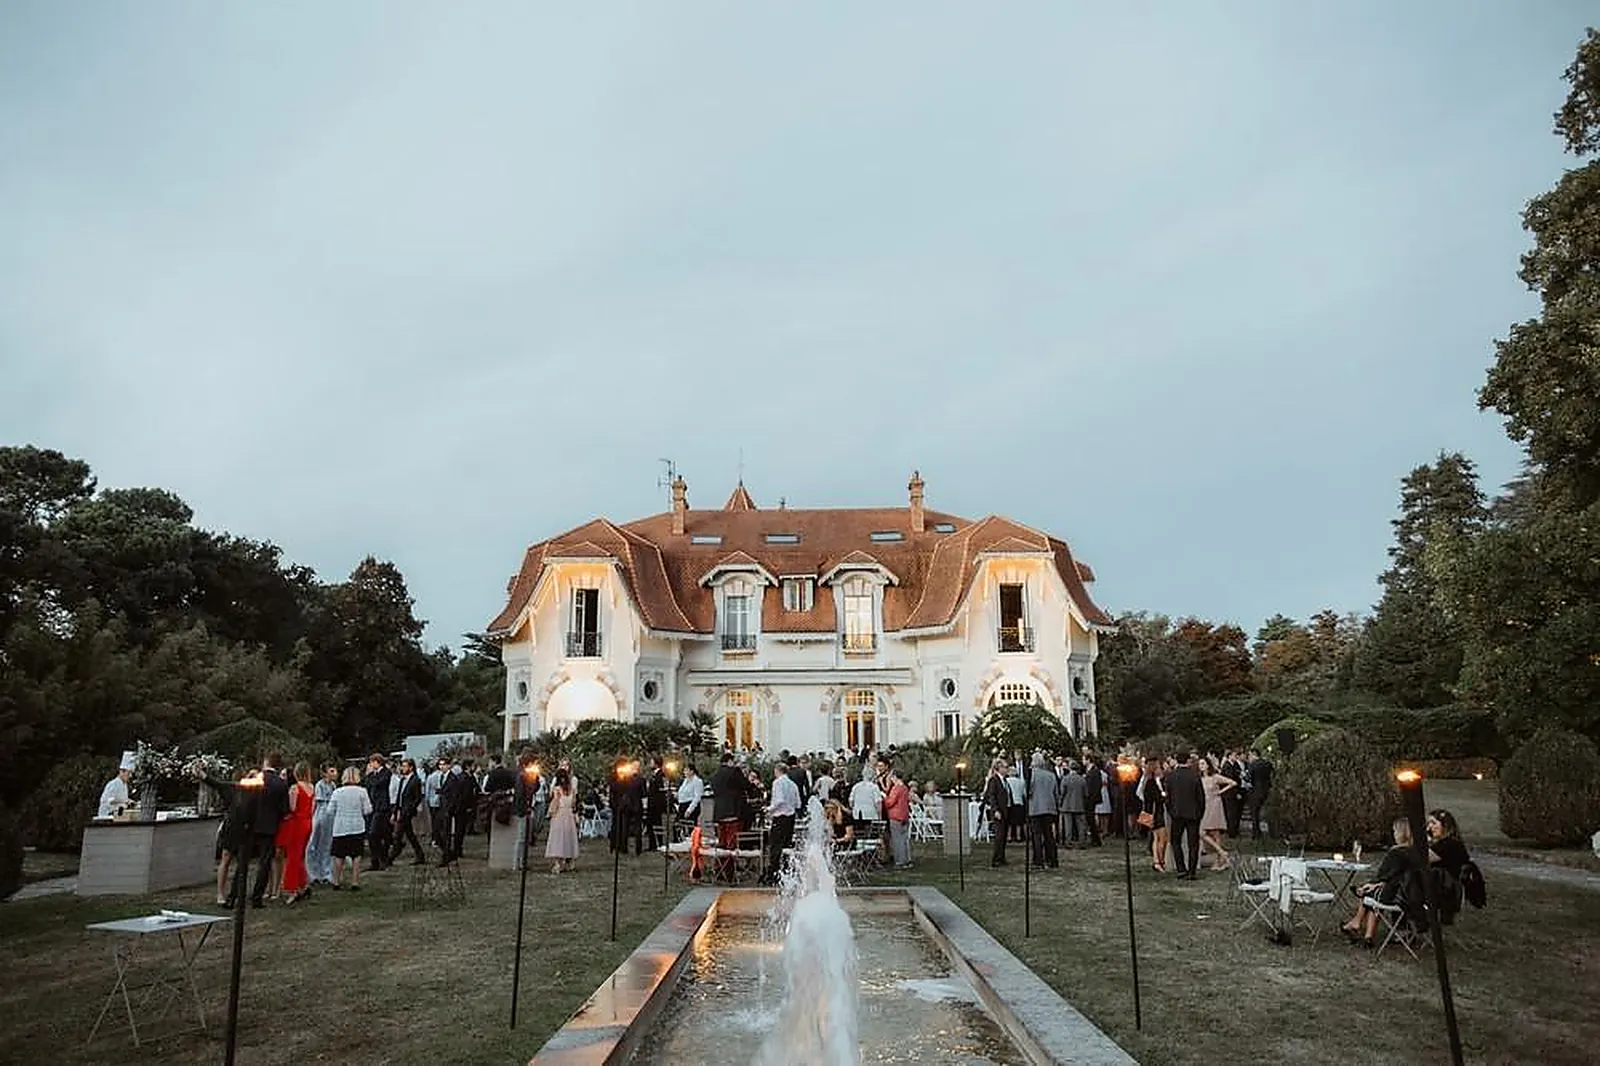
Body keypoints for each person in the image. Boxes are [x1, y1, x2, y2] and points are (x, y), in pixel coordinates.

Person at [1342, 817, 1424, 947]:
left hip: (1396, 895)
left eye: (1395, 831)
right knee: (1370, 890)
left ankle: (1360, 927)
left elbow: (1384, 875)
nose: (1394, 834)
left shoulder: (1396, 852)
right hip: (1411, 894)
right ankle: (1365, 933)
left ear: (1401, 833)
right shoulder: (1417, 853)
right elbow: (1397, 876)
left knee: (1368, 893)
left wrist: (1374, 884)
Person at [249, 753, 289, 908]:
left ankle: (234, 895)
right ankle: (257, 896)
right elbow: (284, 809)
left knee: (243, 860)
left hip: (251, 824)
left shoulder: (255, 779)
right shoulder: (280, 783)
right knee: (264, 862)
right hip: (269, 826)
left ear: (266, 762)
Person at [328, 766, 372, 891]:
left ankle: (336, 882)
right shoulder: (362, 791)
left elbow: (330, 810)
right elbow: (368, 809)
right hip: (357, 826)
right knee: (356, 855)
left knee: (338, 856)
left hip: (340, 827)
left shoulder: (337, 792)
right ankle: (355, 882)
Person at [277, 764, 316, 904]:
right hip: (308, 822)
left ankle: (292, 889)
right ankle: (303, 885)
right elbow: (312, 808)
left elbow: (292, 807)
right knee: (300, 856)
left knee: (293, 856)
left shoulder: (295, 788)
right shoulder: (312, 787)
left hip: (297, 823)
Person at [1165, 753, 1205, 880]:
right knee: (1193, 843)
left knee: (1175, 841)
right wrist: (1200, 813)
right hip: (1193, 814)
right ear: (1188, 761)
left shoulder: (1171, 776)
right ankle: (1192, 871)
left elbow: (1168, 797)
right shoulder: (1195, 776)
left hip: (1176, 814)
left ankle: (1181, 868)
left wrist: (1171, 811)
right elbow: (1201, 798)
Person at [762, 758, 801, 885]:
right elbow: (798, 803)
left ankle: (773, 874)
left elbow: (779, 800)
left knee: (775, 846)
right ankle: (786, 871)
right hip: (791, 817)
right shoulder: (793, 784)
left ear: (777, 771)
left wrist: (769, 809)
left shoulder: (778, 783)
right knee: (787, 846)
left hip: (780, 817)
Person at [1198, 756, 1237, 871]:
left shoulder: (1215, 777)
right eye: (1200, 764)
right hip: (1205, 806)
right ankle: (1222, 853)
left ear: (1208, 765)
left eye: (1203, 764)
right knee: (1202, 832)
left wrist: (1220, 792)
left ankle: (1220, 861)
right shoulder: (1199, 779)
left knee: (1215, 833)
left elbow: (1232, 783)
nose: (1201, 766)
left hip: (1214, 805)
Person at [305, 764, 338, 885]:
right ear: (325, 773)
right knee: (314, 843)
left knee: (327, 843)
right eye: (332, 771)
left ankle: (326, 872)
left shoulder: (333, 785)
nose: (334, 773)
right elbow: (318, 802)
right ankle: (313, 873)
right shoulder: (319, 785)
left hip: (330, 816)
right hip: (321, 814)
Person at [390, 758, 426, 865]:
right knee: (409, 834)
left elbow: (418, 797)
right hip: (401, 809)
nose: (402, 768)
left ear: (411, 767)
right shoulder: (402, 780)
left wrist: (411, 808)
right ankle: (420, 855)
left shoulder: (415, 780)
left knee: (398, 834)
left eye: (405, 766)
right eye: (402, 766)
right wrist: (395, 811)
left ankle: (391, 857)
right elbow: (399, 797)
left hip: (407, 811)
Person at [1027, 752, 1059, 869]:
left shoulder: (1032, 775)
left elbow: (1029, 791)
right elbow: (1056, 793)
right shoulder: (1051, 775)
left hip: (1035, 808)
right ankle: (1052, 860)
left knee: (1036, 835)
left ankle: (1038, 860)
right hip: (1049, 808)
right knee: (1049, 835)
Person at [545, 767, 580, 873]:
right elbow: (574, 804)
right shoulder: (572, 790)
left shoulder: (557, 790)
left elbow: (555, 803)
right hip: (569, 815)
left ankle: (558, 863)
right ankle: (570, 862)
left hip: (559, 815)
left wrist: (550, 814)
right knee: (569, 838)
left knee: (558, 839)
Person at [364, 754, 393, 871]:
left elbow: (378, 783)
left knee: (374, 833)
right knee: (372, 835)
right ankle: (375, 861)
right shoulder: (371, 775)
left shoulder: (386, 773)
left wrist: (371, 778)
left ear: (377, 762)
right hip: (372, 806)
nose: (370, 765)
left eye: (371, 762)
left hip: (382, 807)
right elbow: (366, 783)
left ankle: (382, 859)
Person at [982, 758, 1012, 867]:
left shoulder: (1005, 780)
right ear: (999, 768)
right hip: (998, 811)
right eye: (1005, 767)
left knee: (1003, 836)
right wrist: (995, 810)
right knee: (999, 836)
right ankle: (996, 859)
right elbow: (992, 796)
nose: (1007, 769)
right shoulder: (994, 780)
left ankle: (1002, 857)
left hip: (1006, 810)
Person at [883, 767, 913, 869]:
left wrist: (884, 797)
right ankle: (907, 860)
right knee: (904, 839)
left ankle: (900, 861)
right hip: (904, 815)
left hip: (896, 816)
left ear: (894, 777)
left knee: (897, 840)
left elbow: (890, 803)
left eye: (891, 777)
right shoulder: (905, 787)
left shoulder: (896, 788)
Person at [1246, 749, 1273, 839]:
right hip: (1266, 789)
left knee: (1254, 813)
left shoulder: (1253, 765)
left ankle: (1256, 833)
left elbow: (1248, 778)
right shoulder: (1267, 763)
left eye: (1249, 755)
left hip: (1255, 791)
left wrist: (1243, 775)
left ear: (1254, 755)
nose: (1249, 758)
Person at [97, 754, 135, 819]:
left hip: (119, 816)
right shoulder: (113, 784)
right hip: (107, 816)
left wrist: (128, 801)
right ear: (121, 772)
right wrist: (125, 801)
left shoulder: (124, 785)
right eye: (128, 773)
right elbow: (110, 801)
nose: (130, 776)